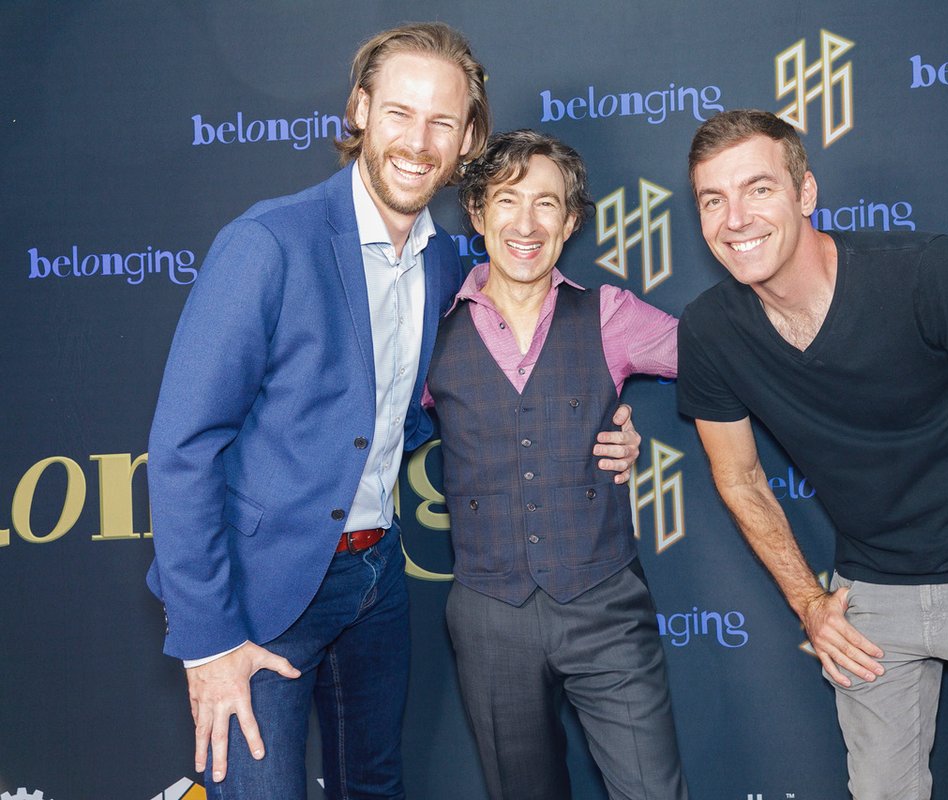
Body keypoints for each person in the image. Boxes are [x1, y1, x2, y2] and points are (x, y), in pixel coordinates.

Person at [146, 25, 640, 799]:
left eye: (443, 122)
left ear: (469, 138)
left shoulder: (447, 263)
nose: (418, 141)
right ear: (360, 110)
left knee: (374, 787)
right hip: (261, 597)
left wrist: (606, 424)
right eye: (400, 114)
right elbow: (183, 447)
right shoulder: (268, 244)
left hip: (379, 580)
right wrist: (208, 644)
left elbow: (484, 379)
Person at [677, 110, 948, 800]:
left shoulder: (922, 273)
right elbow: (740, 478)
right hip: (870, 598)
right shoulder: (711, 330)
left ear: (805, 193)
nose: (736, 218)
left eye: (758, 189)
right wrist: (811, 603)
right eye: (712, 199)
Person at [424, 129, 688, 800]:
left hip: (603, 602)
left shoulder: (607, 313)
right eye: (508, 200)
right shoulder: (430, 328)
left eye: (547, 204)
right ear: (477, 212)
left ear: (570, 222)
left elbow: (722, 361)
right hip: (489, 617)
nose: (526, 223)